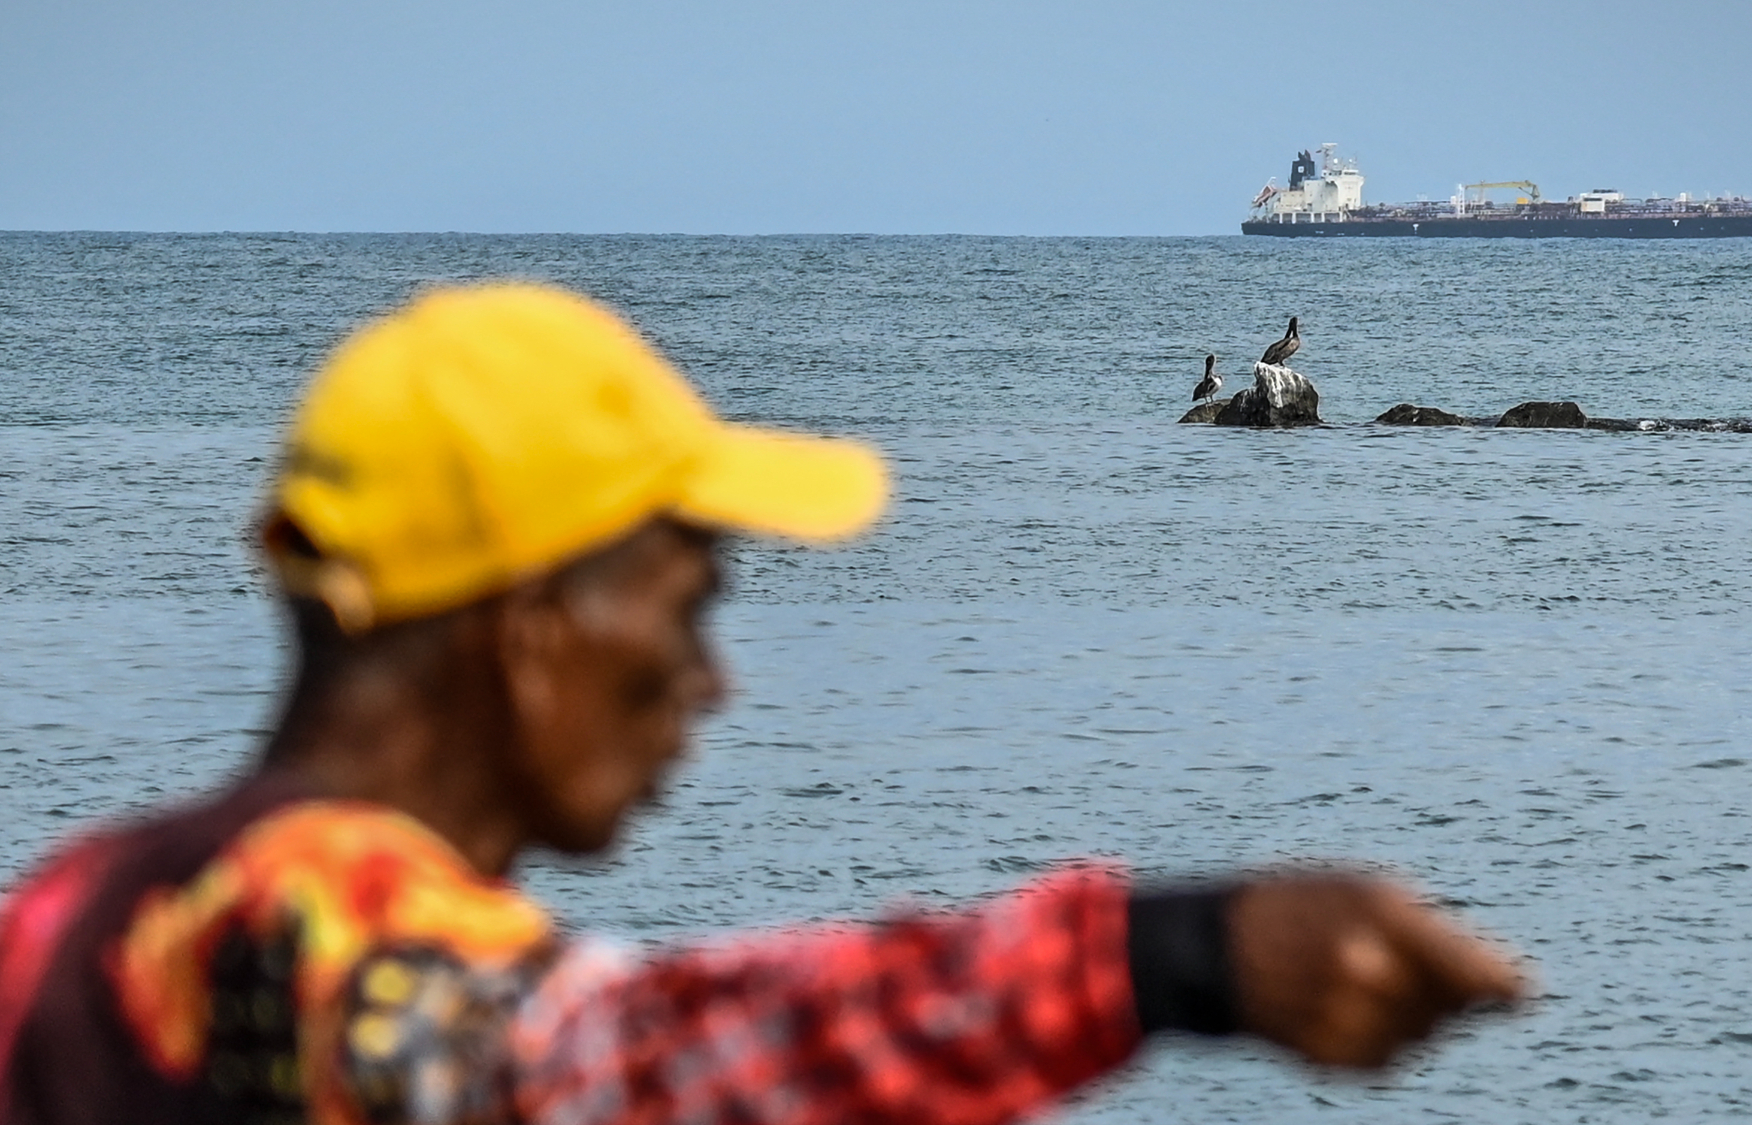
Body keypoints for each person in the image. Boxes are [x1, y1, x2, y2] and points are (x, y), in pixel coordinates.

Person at [0, 283, 1524, 1125]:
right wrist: (1166, 954)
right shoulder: (336, 948)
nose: (711, 678)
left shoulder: (72, 907)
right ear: (527, 632)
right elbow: (632, 1063)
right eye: (683, 608)